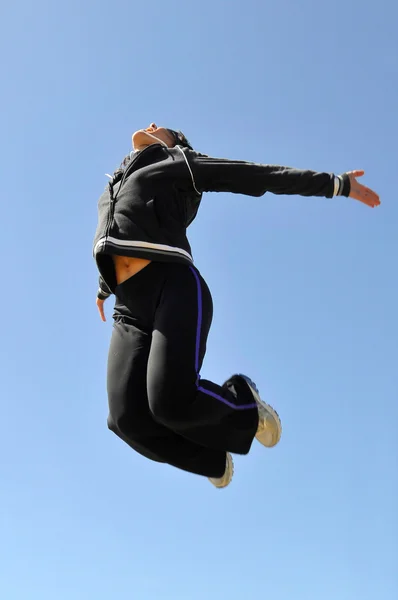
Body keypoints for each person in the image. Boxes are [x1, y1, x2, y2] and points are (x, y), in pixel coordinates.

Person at [93, 123, 380, 488]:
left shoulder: (178, 163)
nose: (151, 126)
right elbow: (118, 233)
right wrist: (104, 287)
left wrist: (335, 184)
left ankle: (243, 400)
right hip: (128, 306)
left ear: (176, 142)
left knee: (168, 401)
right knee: (125, 419)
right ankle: (211, 459)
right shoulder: (114, 184)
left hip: (173, 286)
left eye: (163, 128)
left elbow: (255, 176)